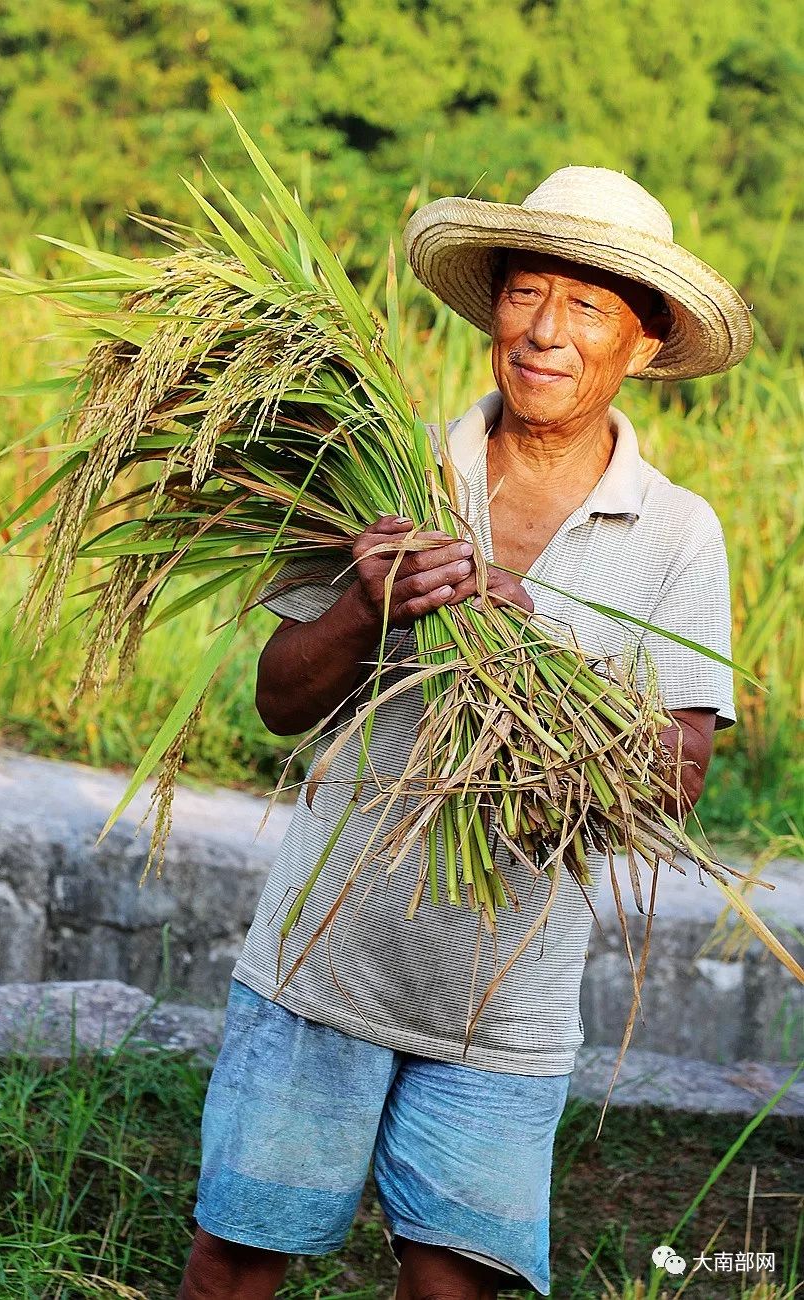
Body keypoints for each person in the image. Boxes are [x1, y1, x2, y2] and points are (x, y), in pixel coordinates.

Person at [177, 166, 752, 1299]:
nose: (545, 331)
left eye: (587, 307)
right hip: (320, 962)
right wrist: (361, 606)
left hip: (505, 1005)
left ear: (641, 345)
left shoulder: (681, 532)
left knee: (453, 1288)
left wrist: (537, 659)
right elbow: (279, 699)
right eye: (527, 293)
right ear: (492, 307)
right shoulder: (388, 479)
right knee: (232, 1269)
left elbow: (680, 774)